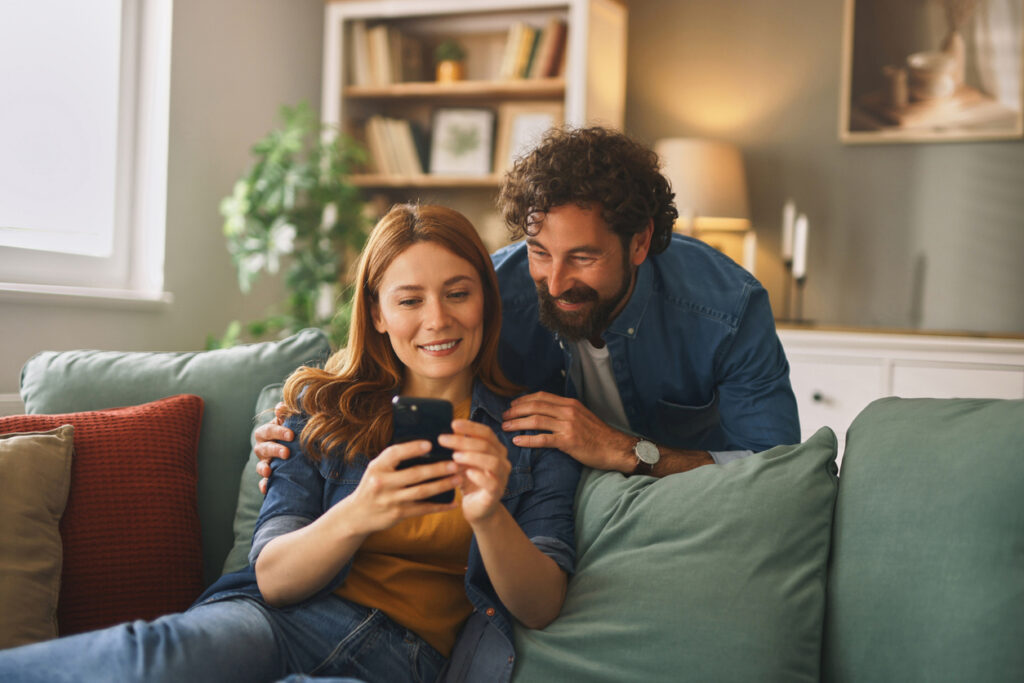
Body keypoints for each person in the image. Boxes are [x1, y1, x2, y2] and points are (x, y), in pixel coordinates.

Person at [0, 204, 580, 683]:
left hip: (404, 663)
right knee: (149, 656)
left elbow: (541, 603)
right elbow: (274, 578)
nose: (437, 319)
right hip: (275, 623)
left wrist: (487, 516)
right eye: (409, 300)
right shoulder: (321, 412)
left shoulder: (529, 433)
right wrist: (360, 509)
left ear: (486, 300)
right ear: (377, 313)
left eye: (458, 293)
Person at [255, 126, 799, 485]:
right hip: (539, 504)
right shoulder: (495, 287)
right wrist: (302, 426)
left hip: (680, 504)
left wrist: (623, 449)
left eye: (582, 258)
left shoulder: (726, 309)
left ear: (639, 243)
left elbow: (777, 470)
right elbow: (400, 358)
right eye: (540, 251)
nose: (555, 280)